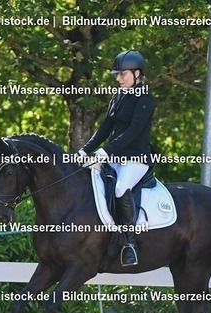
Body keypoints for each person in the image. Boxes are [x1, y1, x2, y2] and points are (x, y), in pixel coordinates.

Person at [78, 50, 156, 267]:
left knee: (121, 188)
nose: (118, 78)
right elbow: (105, 127)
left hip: (136, 159)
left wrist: (106, 151)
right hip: (114, 156)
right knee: (89, 178)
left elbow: (134, 130)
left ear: (137, 74)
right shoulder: (119, 96)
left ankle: (129, 242)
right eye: (117, 75)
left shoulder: (145, 99)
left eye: (123, 74)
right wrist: (85, 150)